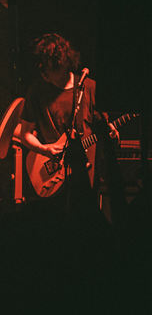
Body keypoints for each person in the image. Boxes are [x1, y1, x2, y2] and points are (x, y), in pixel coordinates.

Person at [18, 33, 118, 207]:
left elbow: (104, 127)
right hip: (52, 176)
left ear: (65, 63)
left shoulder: (88, 88)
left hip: (85, 176)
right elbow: (25, 133)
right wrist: (43, 149)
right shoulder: (36, 91)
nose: (44, 73)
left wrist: (112, 133)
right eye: (43, 68)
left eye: (50, 68)